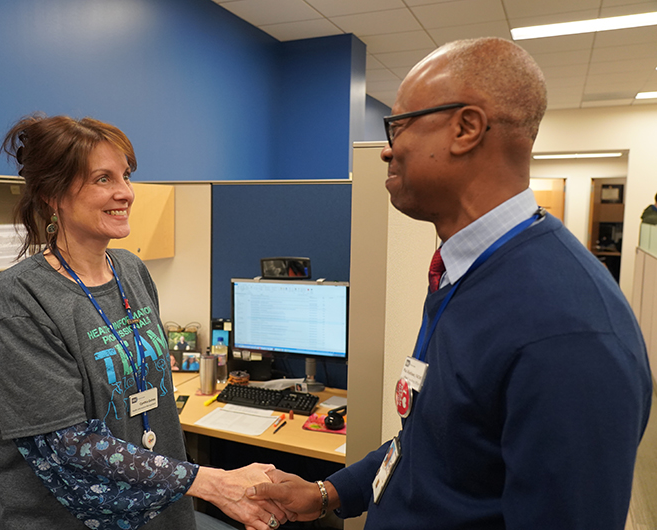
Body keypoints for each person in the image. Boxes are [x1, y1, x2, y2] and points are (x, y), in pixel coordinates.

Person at [247, 37, 652, 529]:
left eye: (398, 126)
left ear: (466, 128)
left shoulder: (570, 332)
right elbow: (431, 444)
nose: (387, 150)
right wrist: (330, 492)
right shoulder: (463, 272)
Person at [0, 114, 287, 530]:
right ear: (53, 194)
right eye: (103, 179)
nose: (125, 192)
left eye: (125, 176)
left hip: (163, 511)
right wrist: (211, 482)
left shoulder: (130, 270)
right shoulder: (20, 296)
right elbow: (68, 445)